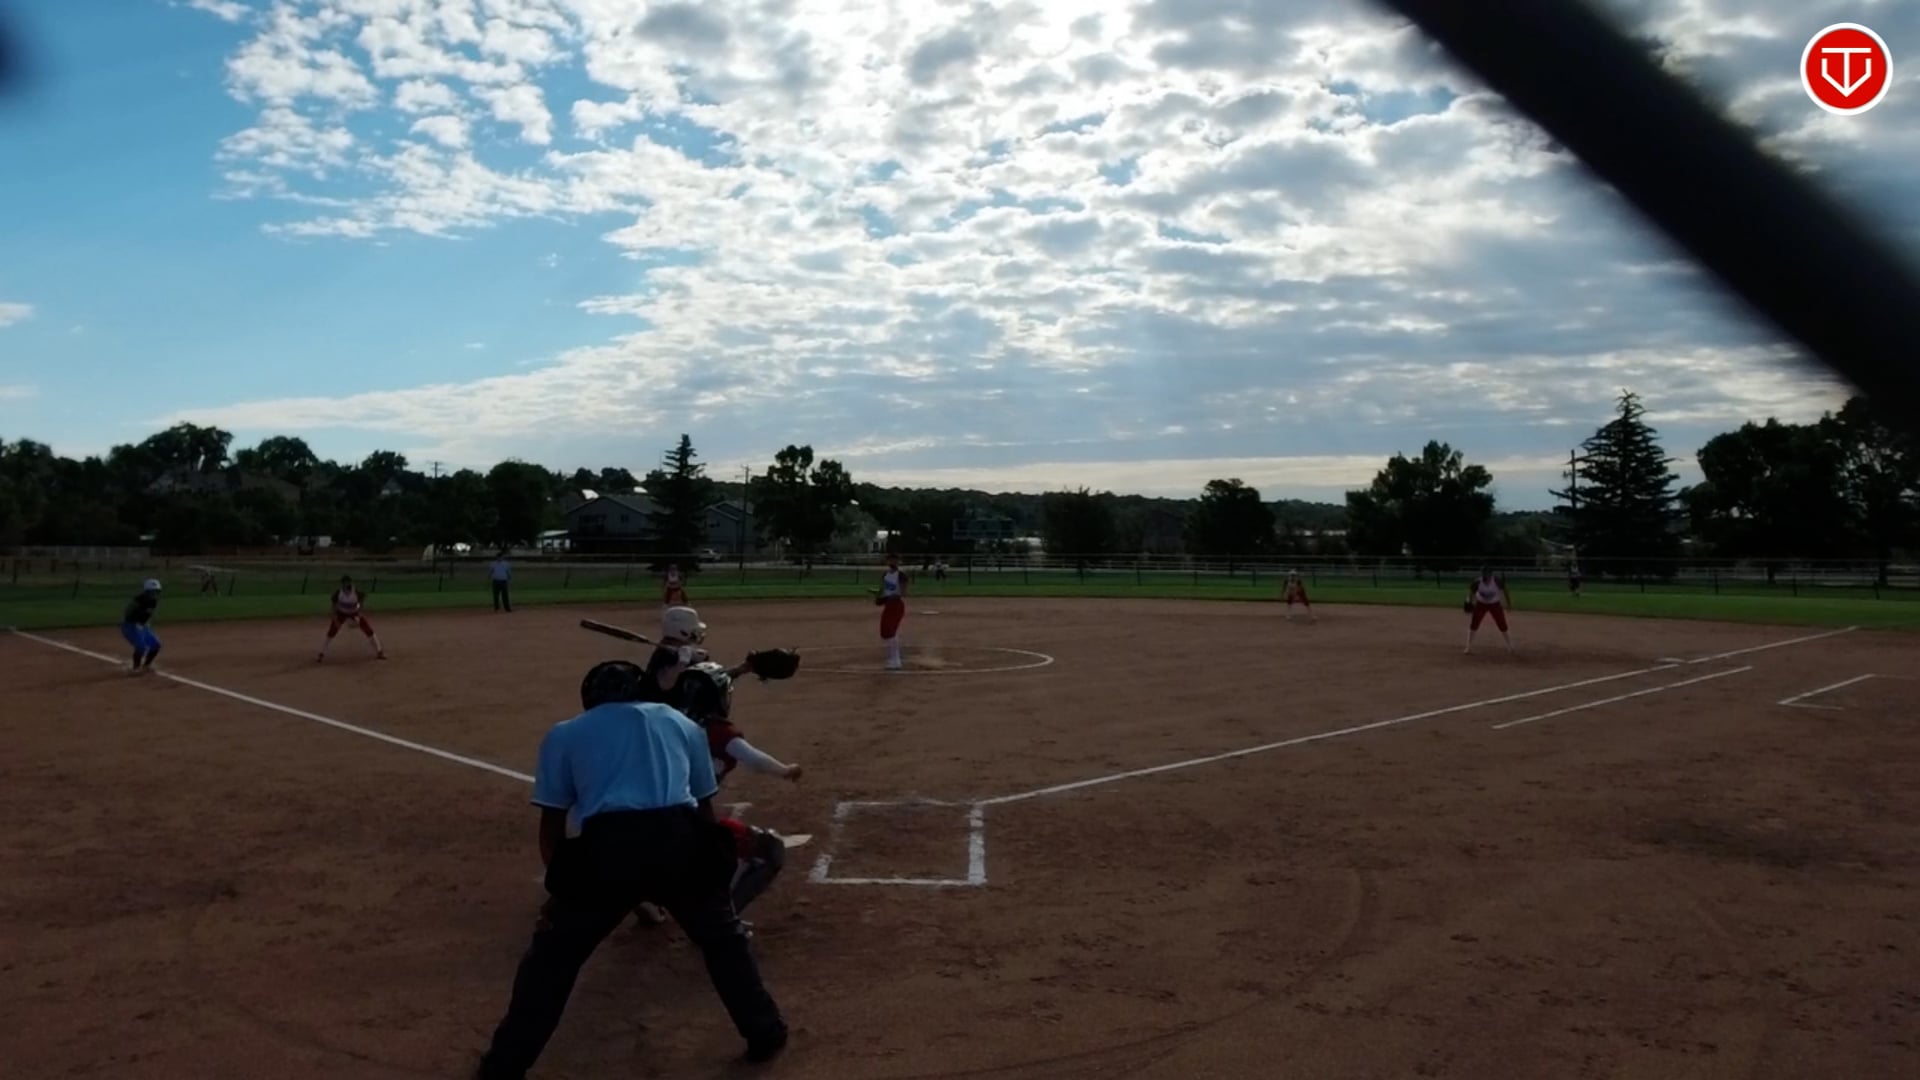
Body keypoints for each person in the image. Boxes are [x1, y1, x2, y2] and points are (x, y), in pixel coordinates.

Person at [473, 661, 789, 1078]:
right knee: (724, 942)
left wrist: (563, 893)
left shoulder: (565, 733)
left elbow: (552, 826)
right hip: (680, 838)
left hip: (607, 848)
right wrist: (705, 880)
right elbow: (704, 811)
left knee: (551, 961)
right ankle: (765, 1032)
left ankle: (503, 1065)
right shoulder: (681, 723)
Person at [317, 574, 387, 662]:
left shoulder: (356, 592)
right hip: (341, 613)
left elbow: (361, 602)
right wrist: (335, 620)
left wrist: (359, 614)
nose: (347, 585)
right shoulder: (338, 593)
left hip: (354, 613)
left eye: (348, 583)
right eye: (345, 583)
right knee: (331, 632)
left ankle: (379, 651)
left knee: (368, 630)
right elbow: (333, 608)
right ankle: (321, 653)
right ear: (342, 584)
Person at [1464, 566, 1514, 654]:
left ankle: (1509, 646)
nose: (1485, 575)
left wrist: (1508, 604)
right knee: (1474, 623)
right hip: (1481, 603)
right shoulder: (1477, 582)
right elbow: (1471, 593)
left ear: (1491, 574)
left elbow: (1505, 591)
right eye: (1484, 573)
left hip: (1494, 603)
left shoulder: (1496, 581)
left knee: (1501, 623)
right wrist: (1470, 602)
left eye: (1487, 573)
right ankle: (1468, 647)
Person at [874, 553, 909, 671]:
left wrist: (890, 596)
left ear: (898, 561)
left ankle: (896, 661)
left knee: (890, 631)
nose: (892, 562)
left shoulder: (901, 575)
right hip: (889, 605)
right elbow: (882, 590)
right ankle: (893, 658)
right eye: (890, 560)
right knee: (885, 632)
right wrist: (879, 597)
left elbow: (903, 593)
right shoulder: (886, 575)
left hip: (896, 605)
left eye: (894, 560)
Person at [121, 578, 163, 675]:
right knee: (141, 647)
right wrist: (136, 622)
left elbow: (148, 614)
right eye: (152, 591)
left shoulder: (154, 601)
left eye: (156, 591)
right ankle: (135, 669)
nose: (154, 594)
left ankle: (146, 666)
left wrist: (144, 623)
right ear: (147, 591)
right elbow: (128, 613)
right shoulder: (138, 600)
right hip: (130, 626)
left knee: (156, 645)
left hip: (142, 626)